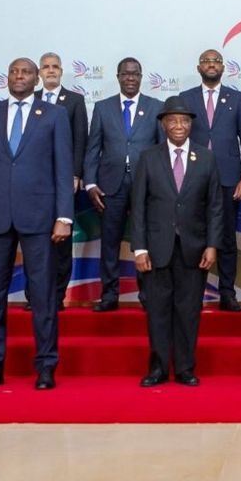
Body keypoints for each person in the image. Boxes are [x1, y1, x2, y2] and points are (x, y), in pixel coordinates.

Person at [0, 57, 73, 390]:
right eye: (13, 71)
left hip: (40, 218)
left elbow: (62, 168)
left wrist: (64, 216)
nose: (19, 76)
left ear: (37, 77)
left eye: (26, 72)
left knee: (42, 295)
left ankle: (45, 366)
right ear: (7, 78)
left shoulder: (54, 115)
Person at [132, 96, 223, 387]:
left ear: (191, 124)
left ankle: (184, 368)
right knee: (157, 311)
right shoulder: (148, 157)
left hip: (194, 250)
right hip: (156, 249)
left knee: (188, 311)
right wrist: (140, 248)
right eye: (173, 120)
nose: (179, 125)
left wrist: (212, 245)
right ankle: (158, 368)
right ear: (163, 124)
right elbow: (139, 206)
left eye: (184, 120)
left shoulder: (206, 157)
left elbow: (215, 206)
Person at [84, 57, 163, 311]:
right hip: (110, 185)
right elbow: (92, 149)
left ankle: (148, 295)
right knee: (110, 241)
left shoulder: (155, 107)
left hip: (147, 185)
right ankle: (109, 296)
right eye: (126, 74)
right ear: (117, 77)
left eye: (135, 74)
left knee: (146, 240)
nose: (130, 78)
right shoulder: (103, 107)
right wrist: (90, 183)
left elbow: (163, 150)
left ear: (141, 77)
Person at [180, 49, 241, 312]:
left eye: (216, 61)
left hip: (229, 180)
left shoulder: (236, 98)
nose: (211, 65)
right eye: (206, 62)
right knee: (193, 237)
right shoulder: (185, 98)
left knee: (226, 239)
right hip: (193, 179)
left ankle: (227, 293)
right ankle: (193, 294)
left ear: (223, 67)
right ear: (198, 67)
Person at [32, 52, 88, 312]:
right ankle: (36, 298)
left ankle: (56, 297)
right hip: (32, 185)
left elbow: (80, 141)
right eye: (46, 67)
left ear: (62, 71)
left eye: (55, 67)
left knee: (61, 242)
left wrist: (76, 175)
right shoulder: (29, 100)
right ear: (40, 73)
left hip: (64, 182)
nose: (51, 71)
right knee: (34, 242)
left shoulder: (74, 100)